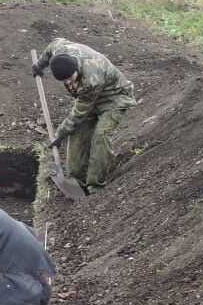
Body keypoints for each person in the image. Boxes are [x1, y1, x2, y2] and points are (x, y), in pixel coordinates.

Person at [31, 38, 137, 193]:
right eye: (65, 81)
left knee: (101, 135)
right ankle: (75, 179)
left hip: (114, 98)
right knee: (77, 132)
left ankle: (95, 183)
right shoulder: (60, 49)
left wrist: (59, 134)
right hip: (89, 99)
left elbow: (79, 113)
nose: (69, 83)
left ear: (76, 68)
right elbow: (52, 44)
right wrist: (39, 65)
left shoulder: (91, 78)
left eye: (71, 78)